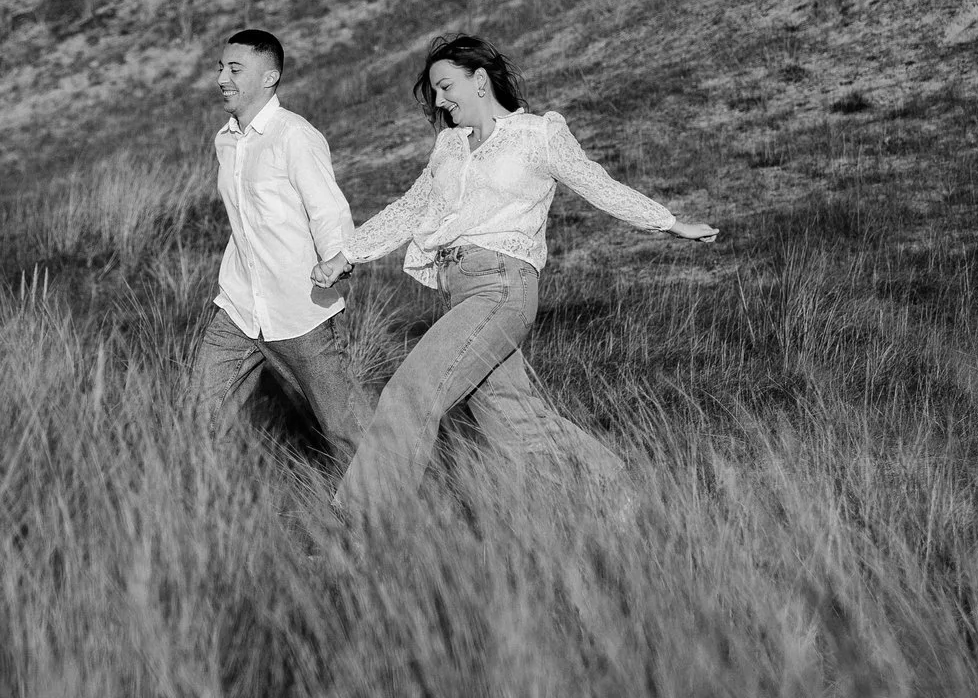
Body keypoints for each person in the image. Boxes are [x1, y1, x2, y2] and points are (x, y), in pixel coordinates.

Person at [311, 35, 716, 510]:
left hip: (503, 288)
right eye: (435, 93)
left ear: (480, 81)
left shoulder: (536, 135)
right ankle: (615, 491)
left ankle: (356, 525)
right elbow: (410, 208)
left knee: (410, 392)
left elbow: (597, 185)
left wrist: (670, 223)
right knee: (513, 419)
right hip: (460, 292)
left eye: (445, 87)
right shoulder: (450, 146)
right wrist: (348, 254)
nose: (439, 101)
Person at [192, 28, 374, 463]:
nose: (222, 79)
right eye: (221, 68)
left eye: (235, 69)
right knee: (201, 416)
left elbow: (328, 208)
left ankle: (391, 507)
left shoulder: (295, 135)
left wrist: (337, 257)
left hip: (299, 309)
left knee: (347, 430)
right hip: (238, 307)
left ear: (270, 77)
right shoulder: (226, 140)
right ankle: (204, 512)